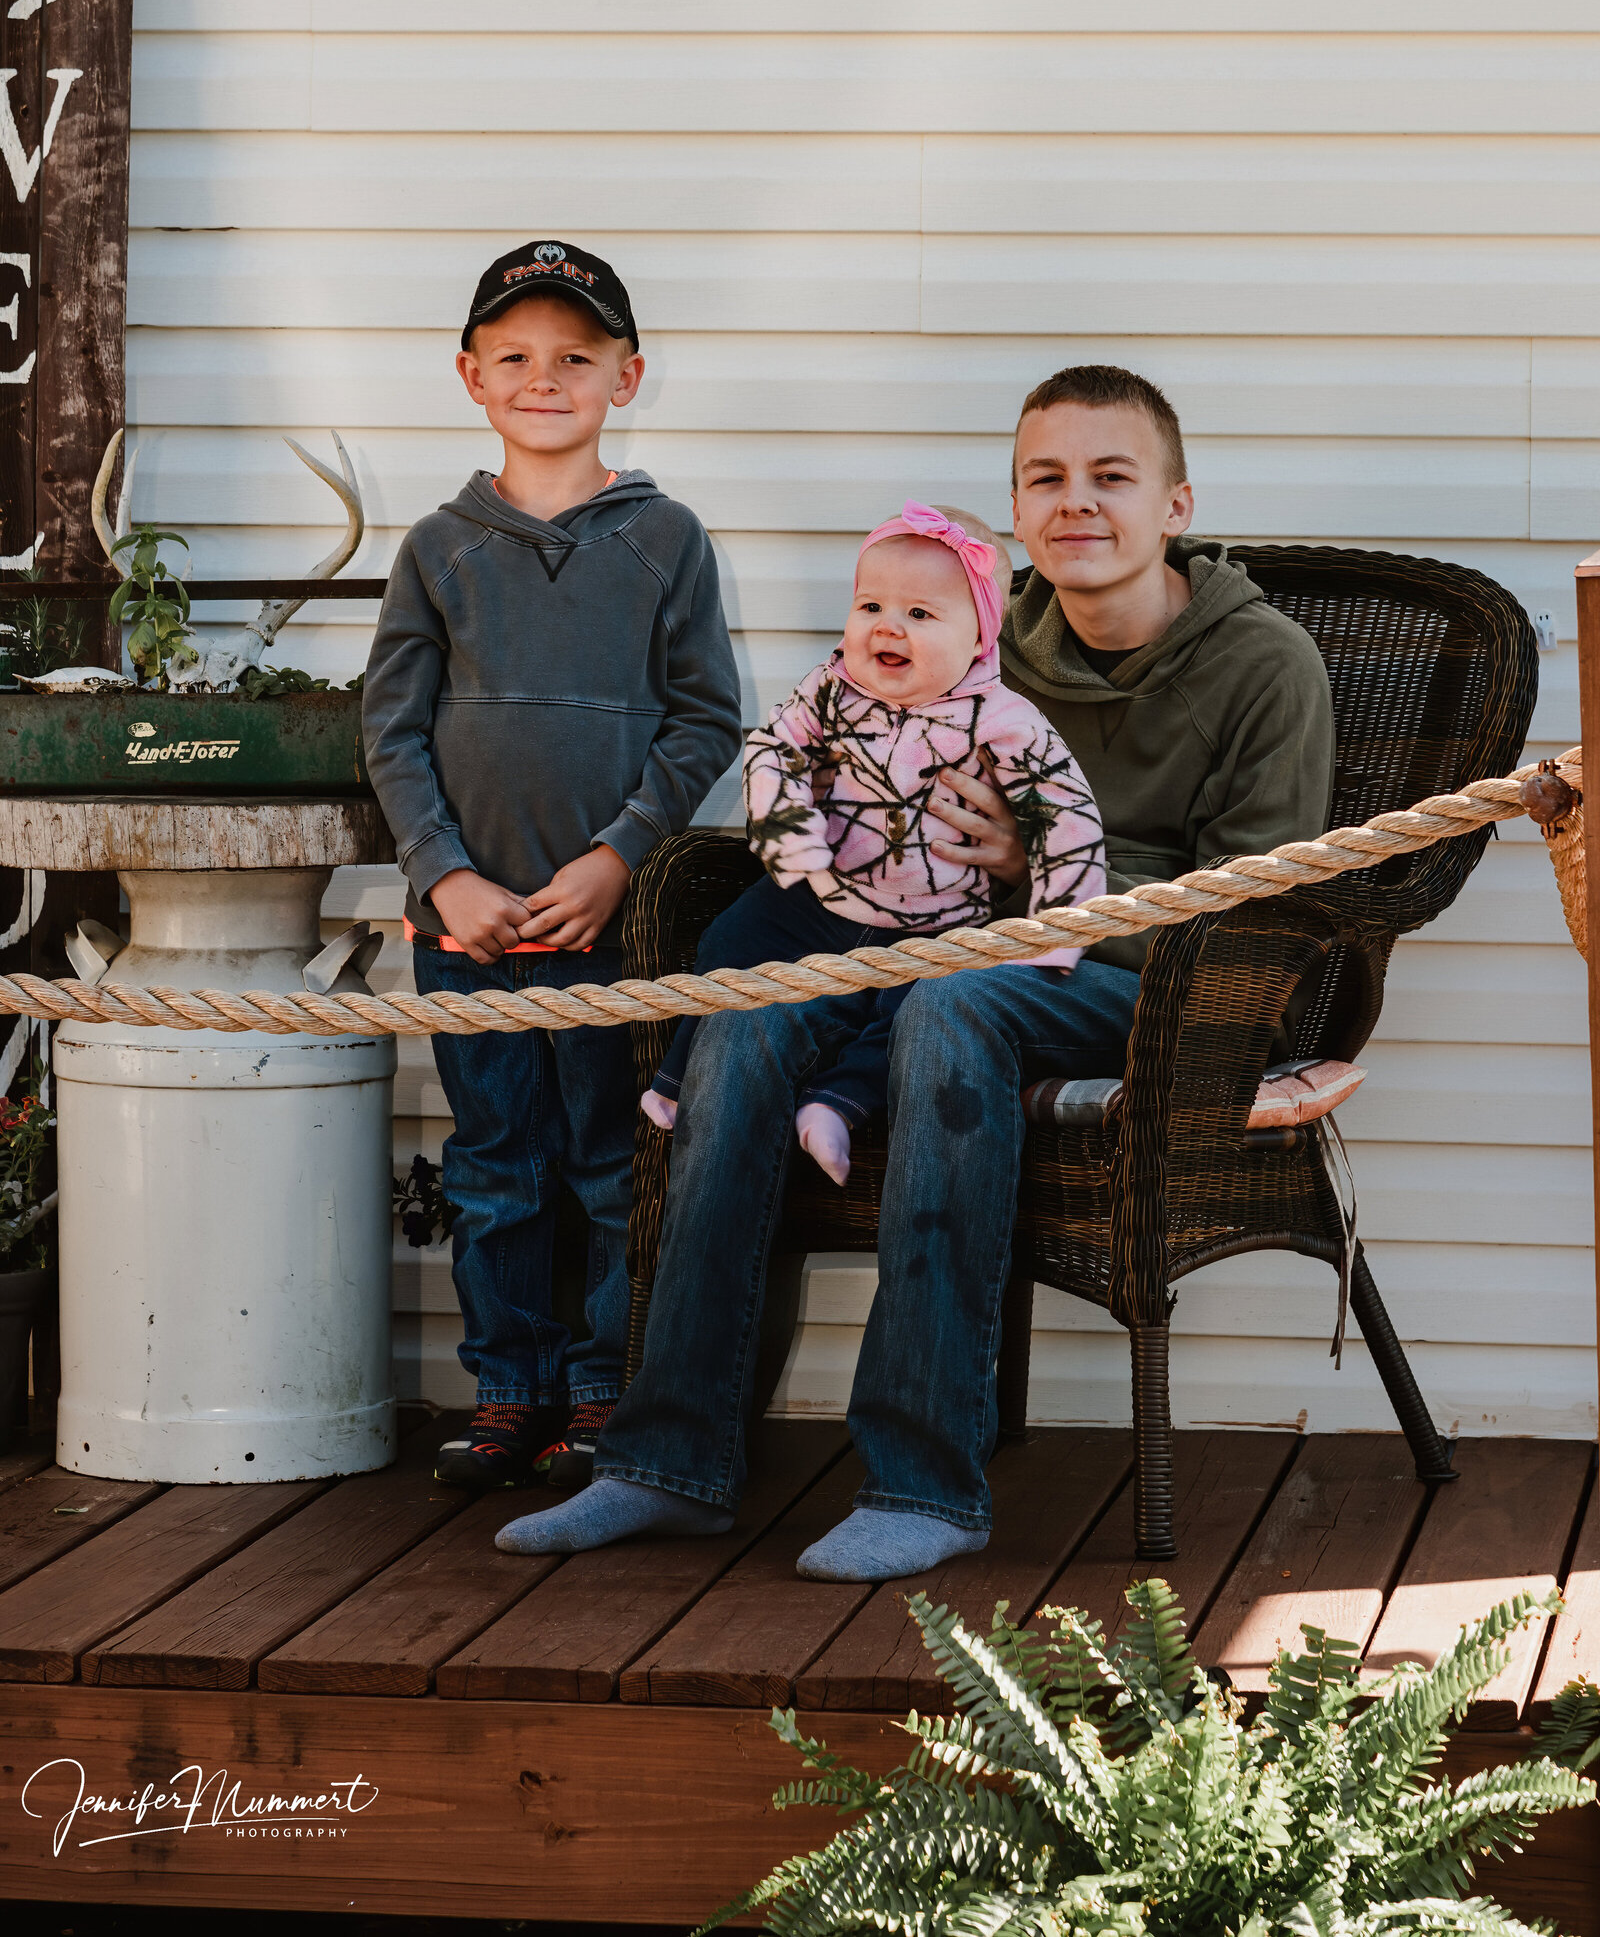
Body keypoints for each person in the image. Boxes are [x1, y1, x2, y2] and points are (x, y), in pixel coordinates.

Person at [495, 363, 1333, 1575]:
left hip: (1165, 987)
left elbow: (1262, 900)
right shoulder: (981, 637)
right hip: (939, 950)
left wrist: (1026, 889)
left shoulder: (1264, 666)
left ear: (1176, 504)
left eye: (1112, 477)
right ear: (1015, 505)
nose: (1077, 503)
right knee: (747, 1016)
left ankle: (924, 1482)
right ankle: (666, 1460)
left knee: (952, 1009)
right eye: (1045, 478)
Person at [362, 241, 743, 1493]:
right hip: (465, 930)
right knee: (492, 1166)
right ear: (470, 376)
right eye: (516, 356)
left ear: (626, 377)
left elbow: (701, 719)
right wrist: (442, 875)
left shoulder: (666, 539)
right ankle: (508, 1385)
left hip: (606, 929)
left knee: (599, 1162)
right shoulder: (436, 548)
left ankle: (595, 1384)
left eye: (575, 357)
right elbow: (394, 729)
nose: (545, 377)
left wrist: (617, 861)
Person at [641, 500, 1104, 1186]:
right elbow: (775, 749)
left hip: (936, 919)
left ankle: (835, 1107)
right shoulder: (833, 687)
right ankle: (676, 1077)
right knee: (729, 940)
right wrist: (789, 832)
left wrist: (1055, 936)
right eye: (871, 606)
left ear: (981, 636)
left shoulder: (1005, 722)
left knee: (908, 1017)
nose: (888, 625)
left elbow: (1068, 821)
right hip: (820, 895)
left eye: (921, 614)